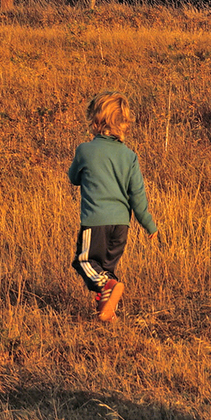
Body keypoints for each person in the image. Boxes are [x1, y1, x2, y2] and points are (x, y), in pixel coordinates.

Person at [67, 92, 157, 322]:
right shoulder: (129, 156)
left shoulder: (85, 150)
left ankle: (110, 286)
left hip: (94, 222)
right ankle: (106, 312)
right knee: (106, 268)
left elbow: (73, 178)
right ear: (124, 124)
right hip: (121, 226)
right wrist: (148, 224)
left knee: (84, 262)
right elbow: (137, 195)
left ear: (96, 120)